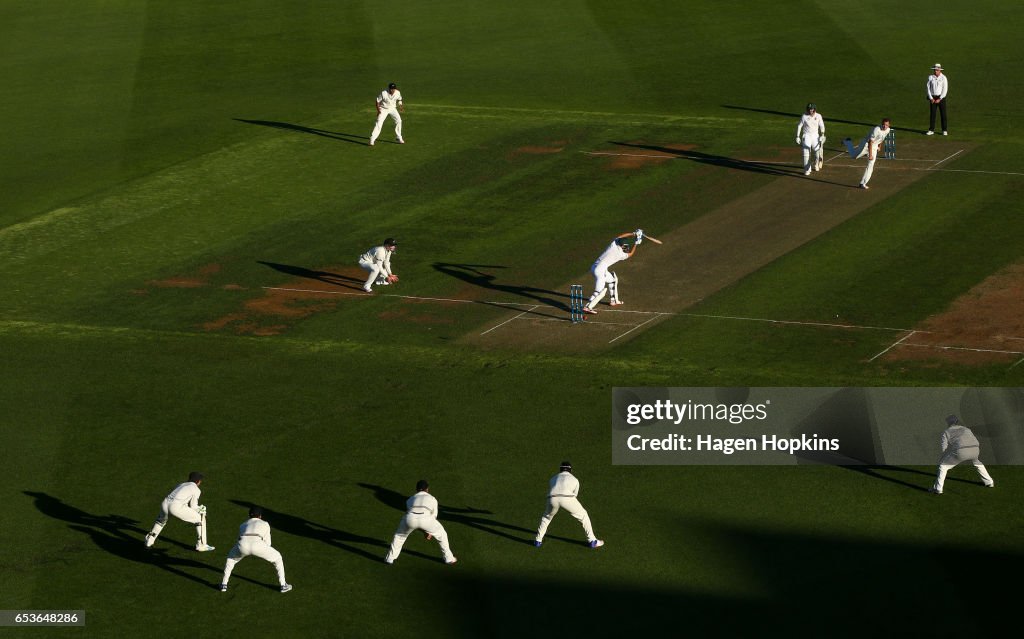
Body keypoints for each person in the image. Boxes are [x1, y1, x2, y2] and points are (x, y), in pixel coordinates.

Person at [219, 507, 292, 593]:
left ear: (249, 515)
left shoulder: (242, 524)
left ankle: (224, 584)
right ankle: (283, 585)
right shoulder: (265, 524)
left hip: (243, 544)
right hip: (258, 544)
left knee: (230, 559)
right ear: (260, 516)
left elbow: (239, 539)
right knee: (278, 558)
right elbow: (268, 543)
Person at [384, 480, 457, 565]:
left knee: (399, 537)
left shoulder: (410, 499)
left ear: (416, 489)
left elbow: (415, 520)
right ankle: (449, 558)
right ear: (427, 489)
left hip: (410, 518)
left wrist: (425, 531)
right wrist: (428, 531)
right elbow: (433, 517)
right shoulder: (433, 499)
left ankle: (389, 559)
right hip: (426, 519)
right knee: (442, 534)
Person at [534, 461, 604, 549]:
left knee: (546, 518)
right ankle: (592, 541)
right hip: (568, 498)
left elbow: (552, 488)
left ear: (560, 469)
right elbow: (575, 495)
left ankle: (538, 541)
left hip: (552, 498)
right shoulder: (575, 479)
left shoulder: (553, 478)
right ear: (570, 470)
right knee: (583, 515)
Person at [144, 471, 215, 552]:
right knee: (200, 518)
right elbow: (193, 506)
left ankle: (148, 542)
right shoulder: (196, 489)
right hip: (175, 507)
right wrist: (201, 509)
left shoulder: (181, 484)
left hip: (165, 503)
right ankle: (202, 545)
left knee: (160, 522)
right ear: (198, 481)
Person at [929, 415, 995, 494]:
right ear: (957, 422)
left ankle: (938, 489)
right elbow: (973, 439)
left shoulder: (946, 432)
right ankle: (989, 482)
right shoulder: (966, 429)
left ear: (948, 423)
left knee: (943, 467)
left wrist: (943, 458)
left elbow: (944, 448)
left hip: (961, 451)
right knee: (977, 463)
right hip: (976, 449)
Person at [582, 230, 644, 314]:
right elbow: (630, 254)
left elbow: (621, 236)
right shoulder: (620, 255)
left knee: (613, 280)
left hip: (594, 267)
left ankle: (613, 300)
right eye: (625, 246)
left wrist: (633, 234)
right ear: (622, 246)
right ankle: (587, 307)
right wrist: (636, 244)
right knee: (599, 291)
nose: (626, 247)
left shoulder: (613, 244)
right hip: (600, 271)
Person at [843, 118, 891, 189]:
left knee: (871, 165)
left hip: (874, 147)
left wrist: (879, 146)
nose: (885, 126)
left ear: (889, 125)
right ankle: (848, 142)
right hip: (866, 144)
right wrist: (870, 155)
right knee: (854, 156)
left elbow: (882, 138)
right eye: (883, 124)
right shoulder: (876, 130)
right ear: (882, 124)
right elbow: (870, 143)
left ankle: (862, 183)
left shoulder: (888, 130)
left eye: (886, 125)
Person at [369, 82, 404, 146]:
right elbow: (377, 102)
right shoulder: (383, 93)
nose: (392, 90)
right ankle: (372, 139)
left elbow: (400, 99)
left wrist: (400, 106)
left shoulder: (397, 93)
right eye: (391, 89)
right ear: (389, 88)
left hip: (393, 108)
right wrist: (379, 111)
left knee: (399, 121)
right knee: (379, 122)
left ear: (395, 89)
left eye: (393, 89)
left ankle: (399, 137)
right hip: (383, 109)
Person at [796, 103, 826, 175]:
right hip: (807, 135)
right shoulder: (804, 116)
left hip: (815, 135)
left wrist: (822, 134)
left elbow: (822, 125)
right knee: (806, 152)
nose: (810, 112)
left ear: (814, 110)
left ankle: (816, 163)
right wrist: (797, 136)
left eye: (812, 110)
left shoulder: (818, 116)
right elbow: (799, 126)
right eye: (809, 110)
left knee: (816, 152)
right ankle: (807, 169)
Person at [926, 63, 948, 136]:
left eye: (937, 70)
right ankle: (931, 130)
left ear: (940, 70)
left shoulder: (943, 77)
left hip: (941, 98)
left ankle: (944, 130)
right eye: (935, 70)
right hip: (933, 98)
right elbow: (928, 88)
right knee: (933, 114)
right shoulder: (930, 77)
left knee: (943, 114)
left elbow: (945, 89)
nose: (935, 71)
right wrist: (931, 98)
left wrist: (940, 98)